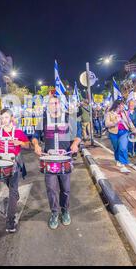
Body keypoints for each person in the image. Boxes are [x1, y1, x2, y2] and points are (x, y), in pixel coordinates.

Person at [31, 95, 81, 230]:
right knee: (51, 188)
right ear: (48, 105)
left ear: (60, 104)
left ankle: (64, 210)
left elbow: (78, 135)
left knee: (65, 189)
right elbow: (35, 136)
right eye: (52, 103)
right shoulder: (44, 120)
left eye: (56, 103)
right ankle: (54, 212)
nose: (54, 105)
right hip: (49, 159)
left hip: (65, 158)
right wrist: (36, 145)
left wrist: (75, 143)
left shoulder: (68, 118)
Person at [0, 109, 30, 233]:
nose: (3, 120)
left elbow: (28, 145)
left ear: (11, 118)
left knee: (12, 191)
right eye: (2, 118)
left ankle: (10, 221)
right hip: (2, 166)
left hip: (14, 165)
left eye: (6, 117)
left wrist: (20, 142)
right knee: (10, 187)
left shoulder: (18, 132)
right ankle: (15, 195)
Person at [105, 100, 136, 173]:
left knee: (123, 148)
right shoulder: (109, 113)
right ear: (117, 105)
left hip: (124, 132)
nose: (123, 106)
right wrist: (115, 122)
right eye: (122, 105)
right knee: (116, 148)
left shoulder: (125, 113)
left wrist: (135, 131)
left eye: (123, 105)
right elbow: (107, 124)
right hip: (113, 133)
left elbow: (129, 122)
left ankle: (123, 165)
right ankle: (118, 160)